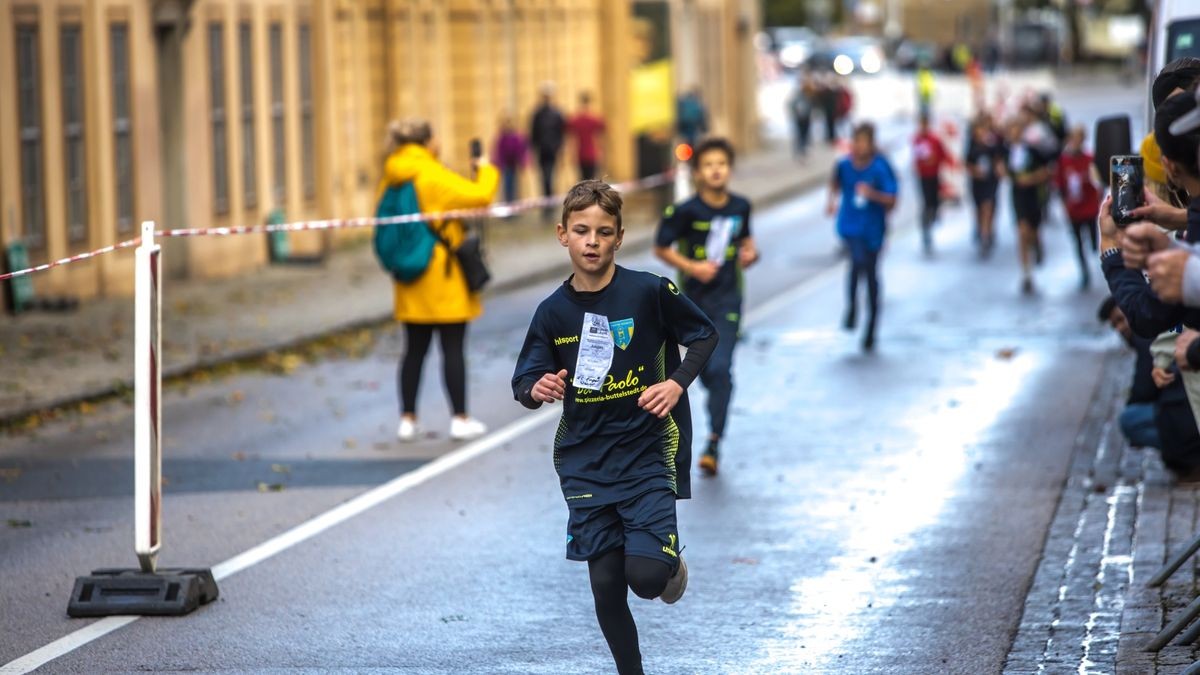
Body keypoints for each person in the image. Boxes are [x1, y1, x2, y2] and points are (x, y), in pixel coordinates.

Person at [511, 180, 718, 675]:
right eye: (581, 230)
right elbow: (524, 379)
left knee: (644, 578)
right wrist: (535, 390)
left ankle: (665, 561)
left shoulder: (647, 291)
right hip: (585, 462)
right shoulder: (552, 312)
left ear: (619, 238)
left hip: (647, 451)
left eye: (603, 232)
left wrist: (676, 384)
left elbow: (704, 334)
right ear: (563, 235)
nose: (592, 241)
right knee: (606, 584)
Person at [380, 118, 499, 442]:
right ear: (428, 143)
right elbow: (480, 195)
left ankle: (407, 419)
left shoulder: (392, 174)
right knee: (452, 347)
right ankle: (460, 418)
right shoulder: (431, 173)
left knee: (414, 350)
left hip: (409, 274)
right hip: (441, 273)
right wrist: (485, 168)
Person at [653, 137, 759, 476]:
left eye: (722, 164)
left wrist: (750, 254)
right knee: (707, 370)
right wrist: (692, 267)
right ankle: (717, 397)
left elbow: (746, 241)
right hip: (692, 304)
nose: (716, 170)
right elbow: (661, 247)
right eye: (709, 165)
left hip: (728, 299)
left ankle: (714, 440)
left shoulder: (740, 206)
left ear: (729, 169)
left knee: (721, 368)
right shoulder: (686, 211)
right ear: (697, 172)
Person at [827, 123, 899, 351]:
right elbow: (835, 181)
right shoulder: (844, 165)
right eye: (856, 142)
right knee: (856, 261)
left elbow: (892, 199)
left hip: (873, 228)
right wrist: (831, 201)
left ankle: (871, 328)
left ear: (871, 144)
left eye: (864, 142)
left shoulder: (880, 167)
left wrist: (873, 195)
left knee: (870, 274)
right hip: (850, 225)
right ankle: (852, 308)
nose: (859, 147)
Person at [1099, 297, 1163, 449]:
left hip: (1182, 406)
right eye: (1114, 325)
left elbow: (1143, 387)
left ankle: (1184, 451)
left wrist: (1131, 405)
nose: (1119, 329)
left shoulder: (1145, 338)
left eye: (1120, 320)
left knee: (1130, 419)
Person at [1005, 114, 1052, 295]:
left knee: (1032, 231)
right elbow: (1001, 168)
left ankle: (1037, 244)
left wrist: (1031, 179)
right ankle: (1026, 272)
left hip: (1033, 196)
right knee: (1022, 232)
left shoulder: (1033, 151)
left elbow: (1046, 170)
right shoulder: (1007, 151)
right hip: (1018, 196)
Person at [1054, 125, 1101, 289]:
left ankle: (1095, 246)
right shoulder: (1063, 161)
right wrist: (1063, 205)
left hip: (1090, 207)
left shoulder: (1089, 159)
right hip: (1073, 209)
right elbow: (1059, 185)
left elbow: (1098, 182)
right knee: (1078, 241)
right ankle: (1084, 271)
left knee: (1092, 236)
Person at [965, 114, 1003, 256]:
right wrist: (976, 172)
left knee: (988, 206)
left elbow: (998, 158)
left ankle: (986, 234)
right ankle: (980, 229)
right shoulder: (972, 144)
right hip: (977, 182)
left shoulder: (992, 143)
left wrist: (998, 169)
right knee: (978, 208)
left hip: (989, 180)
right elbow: (967, 163)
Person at [913, 113, 950, 254]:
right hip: (922, 176)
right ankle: (925, 228)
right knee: (926, 202)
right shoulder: (917, 139)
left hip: (934, 175)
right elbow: (916, 157)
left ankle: (932, 217)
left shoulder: (934, 139)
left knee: (934, 201)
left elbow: (943, 155)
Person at [530, 82, 566, 206]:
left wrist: (560, 152)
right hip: (542, 150)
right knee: (544, 178)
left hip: (552, 150)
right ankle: (547, 202)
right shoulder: (537, 114)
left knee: (550, 176)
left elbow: (561, 134)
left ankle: (550, 202)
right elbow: (533, 134)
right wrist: (533, 152)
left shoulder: (557, 113)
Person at [568, 92, 606, 181]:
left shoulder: (575, 119)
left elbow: (571, 139)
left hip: (580, 154)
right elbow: (601, 138)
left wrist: (571, 154)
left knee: (583, 181)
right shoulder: (595, 119)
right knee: (592, 180)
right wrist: (602, 152)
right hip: (592, 154)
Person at [493, 113, 528, 204]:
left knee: (515, 185)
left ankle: (514, 203)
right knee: (507, 185)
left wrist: (522, 162)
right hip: (506, 164)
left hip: (514, 164)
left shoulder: (516, 137)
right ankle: (508, 203)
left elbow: (521, 150)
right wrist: (498, 163)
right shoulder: (502, 137)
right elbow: (499, 151)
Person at [789, 70, 815, 160]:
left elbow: (812, 106)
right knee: (801, 134)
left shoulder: (809, 95)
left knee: (804, 134)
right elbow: (792, 104)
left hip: (805, 117)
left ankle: (803, 150)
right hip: (800, 118)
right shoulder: (799, 95)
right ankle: (800, 150)